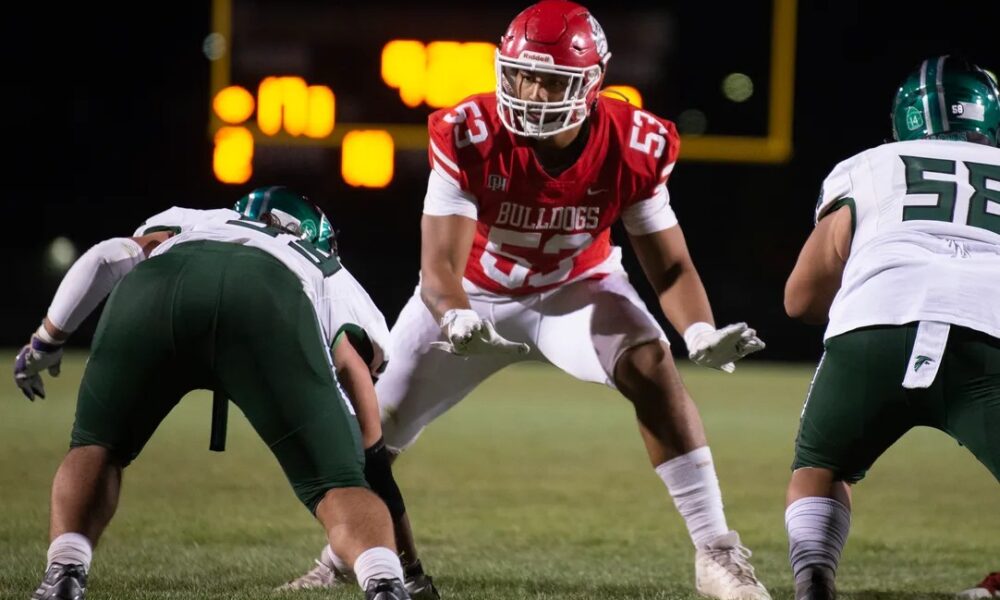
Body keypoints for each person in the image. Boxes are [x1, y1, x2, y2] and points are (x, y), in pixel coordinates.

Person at [285, 2, 770, 599]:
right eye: (521, 74)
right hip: (473, 297)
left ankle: (716, 552)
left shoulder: (632, 141)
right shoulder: (469, 132)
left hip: (576, 290)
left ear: (592, 84)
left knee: (652, 362)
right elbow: (438, 266)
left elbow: (669, 266)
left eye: (551, 79)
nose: (531, 92)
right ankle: (343, 557)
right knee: (370, 427)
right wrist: (457, 315)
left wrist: (697, 332)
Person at [14, 187, 412, 600]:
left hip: (160, 288)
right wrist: (368, 458)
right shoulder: (328, 268)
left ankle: (65, 570)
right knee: (338, 486)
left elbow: (105, 256)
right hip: (269, 300)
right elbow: (353, 366)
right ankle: (383, 583)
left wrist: (45, 341)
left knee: (96, 447)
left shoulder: (192, 219)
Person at [783, 55, 1000, 600]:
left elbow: (800, 299)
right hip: (989, 332)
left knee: (820, 466)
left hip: (878, 322)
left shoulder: (871, 165)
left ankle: (814, 582)